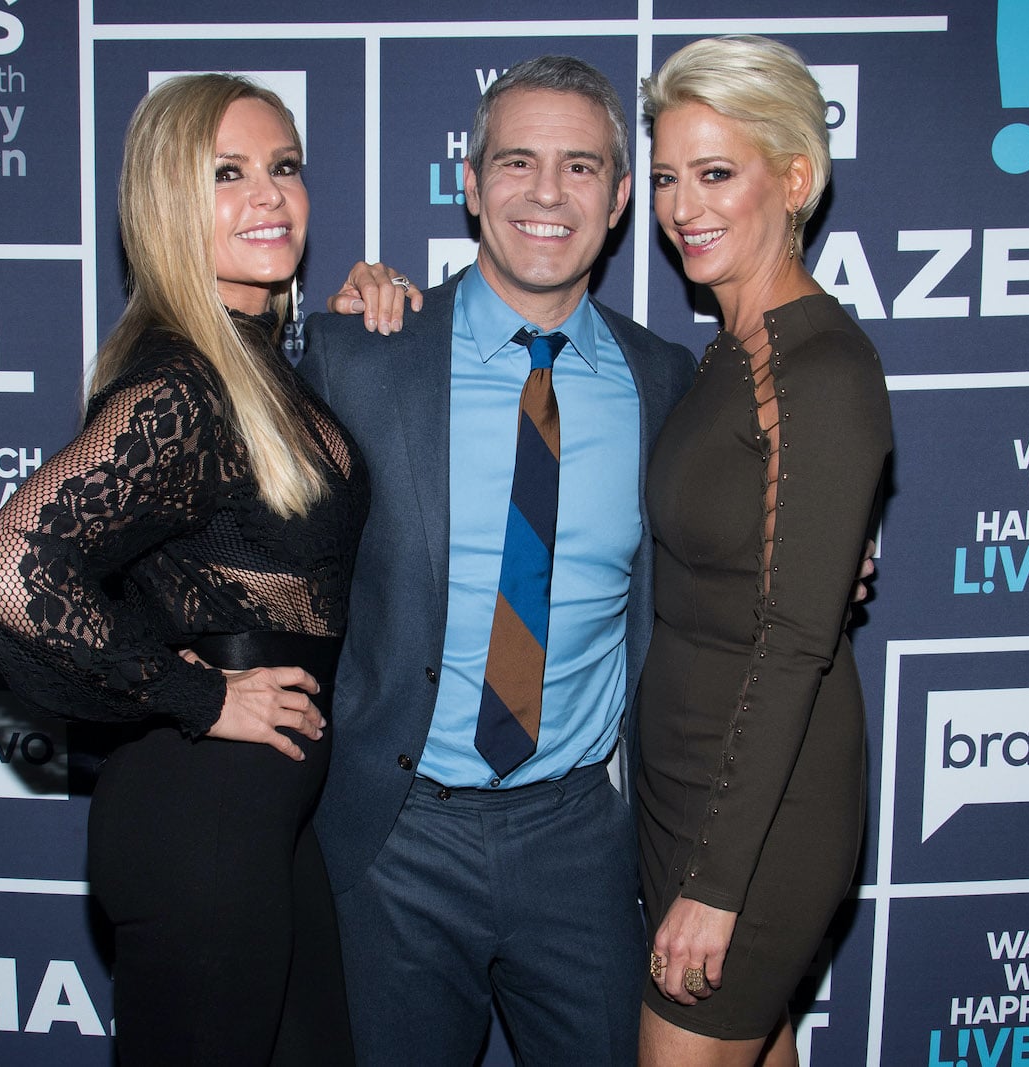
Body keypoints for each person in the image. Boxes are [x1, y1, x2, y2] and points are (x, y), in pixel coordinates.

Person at [0, 74, 410, 1065]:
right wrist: (197, 693)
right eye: (227, 174)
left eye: (283, 166)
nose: (269, 195)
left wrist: (359, 323)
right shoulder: (183, 386)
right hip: (200, 816)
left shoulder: (252, 365)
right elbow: (10, 570)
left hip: (263, 818)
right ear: (167, 200)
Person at [298, 56, 698, 1065]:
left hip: (582, 839)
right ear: (471, 185)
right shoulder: (360, 356)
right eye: (517, 162)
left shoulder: (667, 383)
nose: (547, 193)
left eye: (580, 166)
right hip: (395, 840)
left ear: (618, 198)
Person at [635, 36, 892, 1066]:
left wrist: (717, 881)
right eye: (666, 177)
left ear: (793, 178)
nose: (681, 206)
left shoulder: (818, 366)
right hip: (687, 782)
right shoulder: (728, 351)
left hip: (756, 814)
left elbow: (791, 645)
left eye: (714, 173)